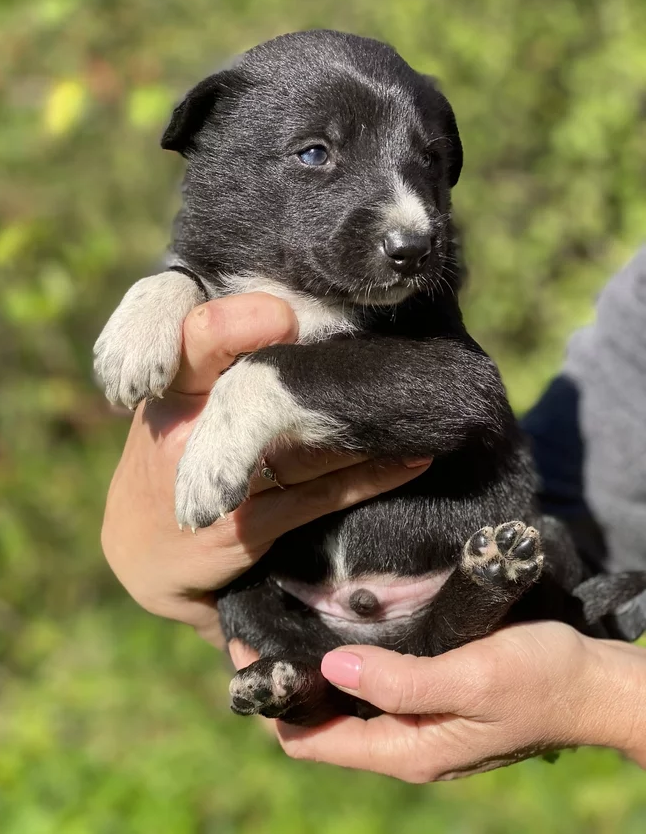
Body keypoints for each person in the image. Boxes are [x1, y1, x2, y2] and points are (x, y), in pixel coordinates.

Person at [102, 252, 646, 780]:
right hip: (311, 602)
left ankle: (466, 600)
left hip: (441, 590)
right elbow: (570, 496)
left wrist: (611, 699)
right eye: (313, 153)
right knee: (259, 622)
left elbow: (464, 402)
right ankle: (296, 684)